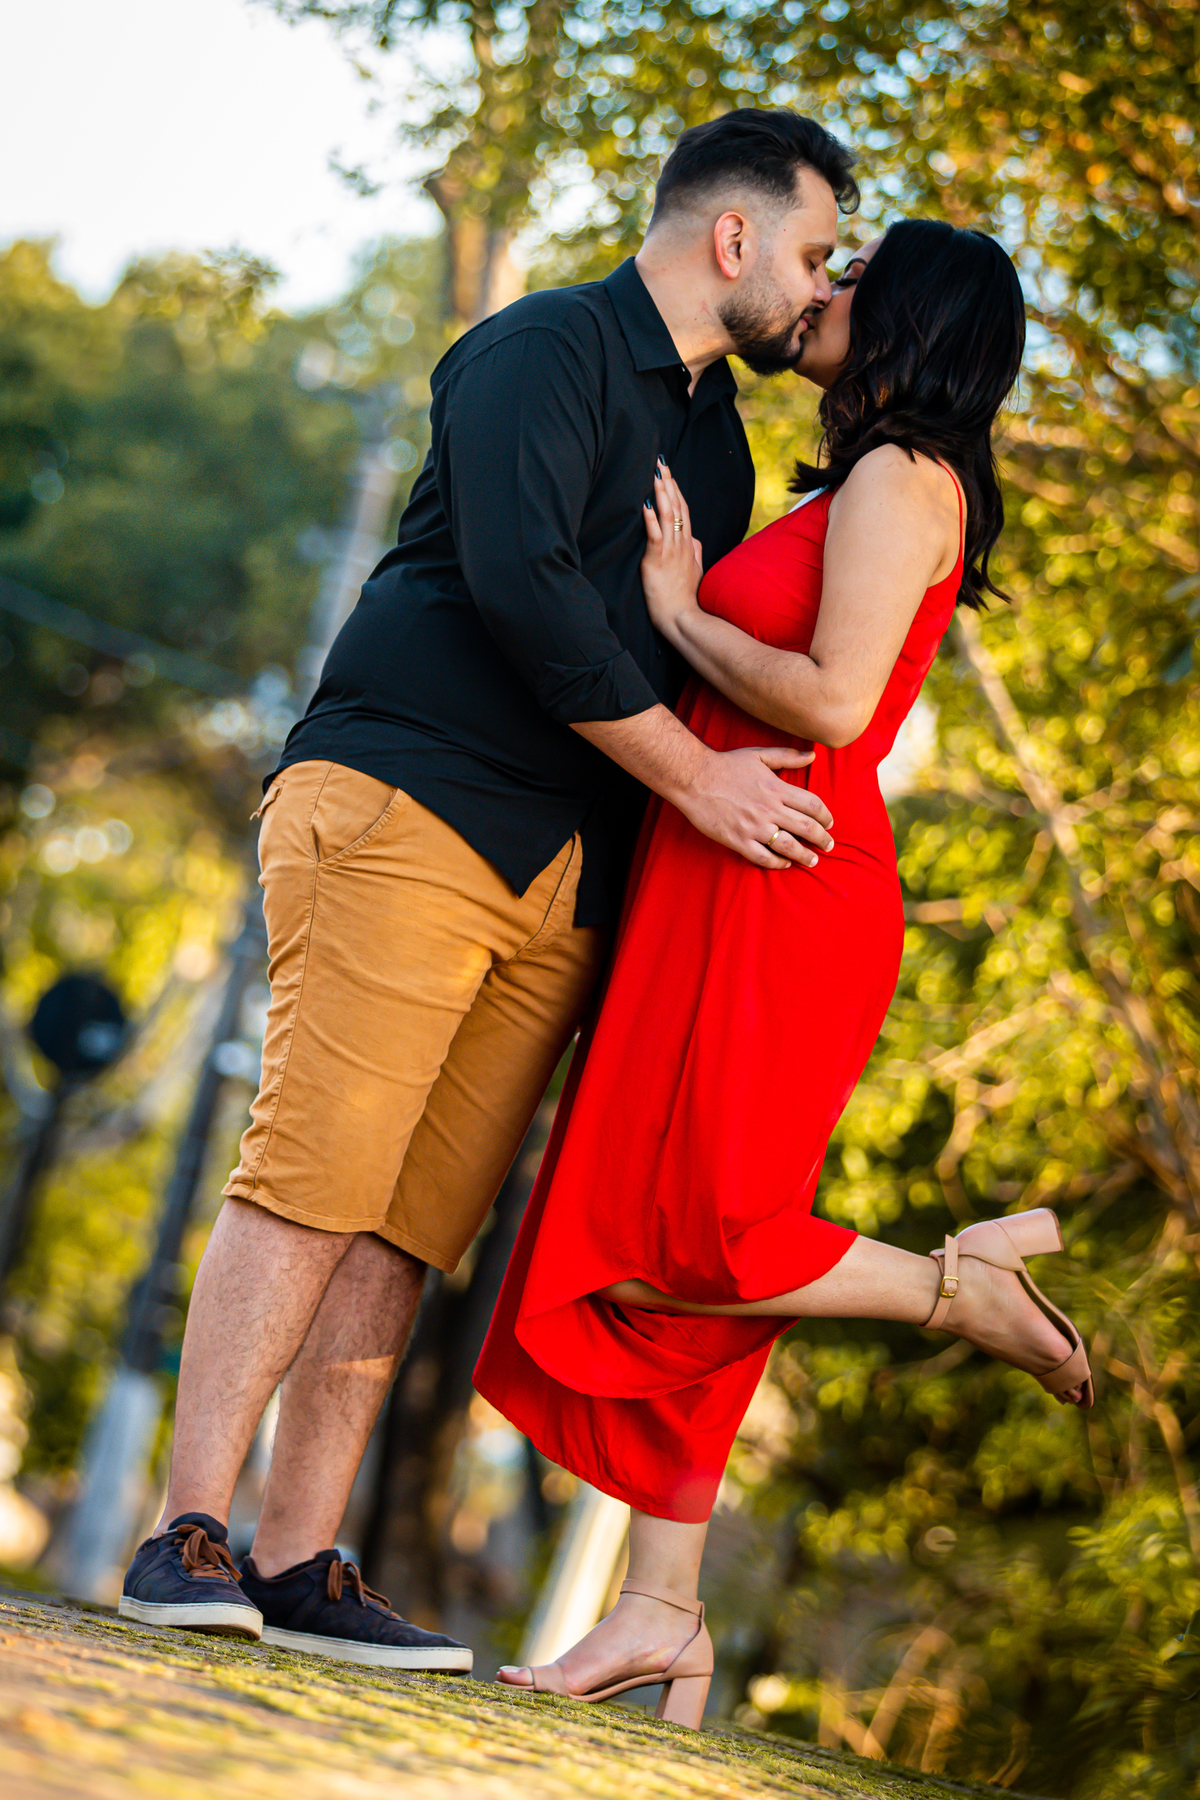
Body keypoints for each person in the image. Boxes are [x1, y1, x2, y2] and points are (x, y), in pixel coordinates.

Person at [117, 108, 856, 1668]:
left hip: (565, 871)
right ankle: (183, 1531)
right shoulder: (539, 348)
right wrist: (695, 779)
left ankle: (304, 1558)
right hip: (413, 801)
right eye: (808, 255)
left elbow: (694, 640)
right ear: (732, 238)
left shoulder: (715, 442)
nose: (813, 288)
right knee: (317, 1168)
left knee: (407, 1230)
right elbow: (523, 584)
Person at [475, 218, 1093, 1725]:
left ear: (912, 317)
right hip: (723, 859)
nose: (823, 288)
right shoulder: (871, 478)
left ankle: (962, 1292)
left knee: (695, 1233)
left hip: (786, 873)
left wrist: (684, 616)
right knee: (679, 1241)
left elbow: (831, 694)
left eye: (854, 273)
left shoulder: (903, 476)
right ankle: (661, 1613)